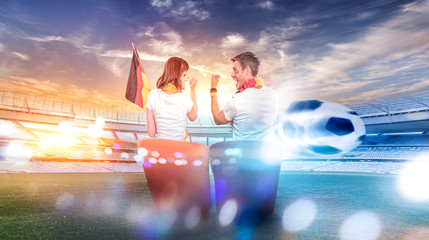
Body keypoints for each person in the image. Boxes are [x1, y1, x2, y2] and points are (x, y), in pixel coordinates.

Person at [210, 52, 278, 140]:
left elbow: (218, 119)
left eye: (236, 70)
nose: (232, 75)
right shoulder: (272, 94)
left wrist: (213, 88)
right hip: (266, 151)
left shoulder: (237, 101)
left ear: (247, 71)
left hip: (242, 152)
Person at [146, 57, 198, 141]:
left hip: (161, 149)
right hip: (179, 150)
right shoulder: (184, 98)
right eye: (185, 74)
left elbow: (151, 133)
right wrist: (193, 89)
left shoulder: (152, 95)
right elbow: (193, 116)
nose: (187, 78)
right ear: (175, 75)